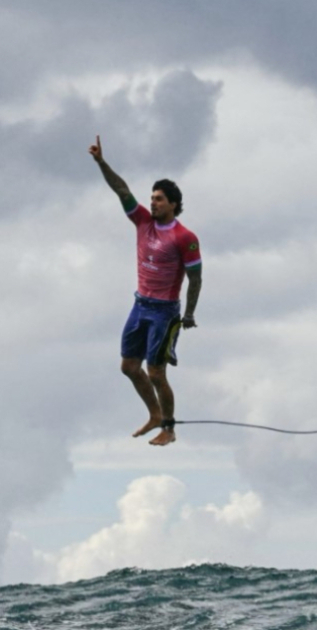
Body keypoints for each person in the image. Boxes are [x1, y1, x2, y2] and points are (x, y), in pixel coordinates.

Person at [89, 135, 203, 446]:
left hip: (165, 312)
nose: (152, 202)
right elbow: (121, 189)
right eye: (152, 198)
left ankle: (169, 427)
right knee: (128, 366)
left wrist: (189, 313)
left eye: (159, 199)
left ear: (173, 205)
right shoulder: (142, 222)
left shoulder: (185, 237)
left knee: (155, 372)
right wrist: (101, 162)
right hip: (140, 305)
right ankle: (154, 414)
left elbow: (196, 278)